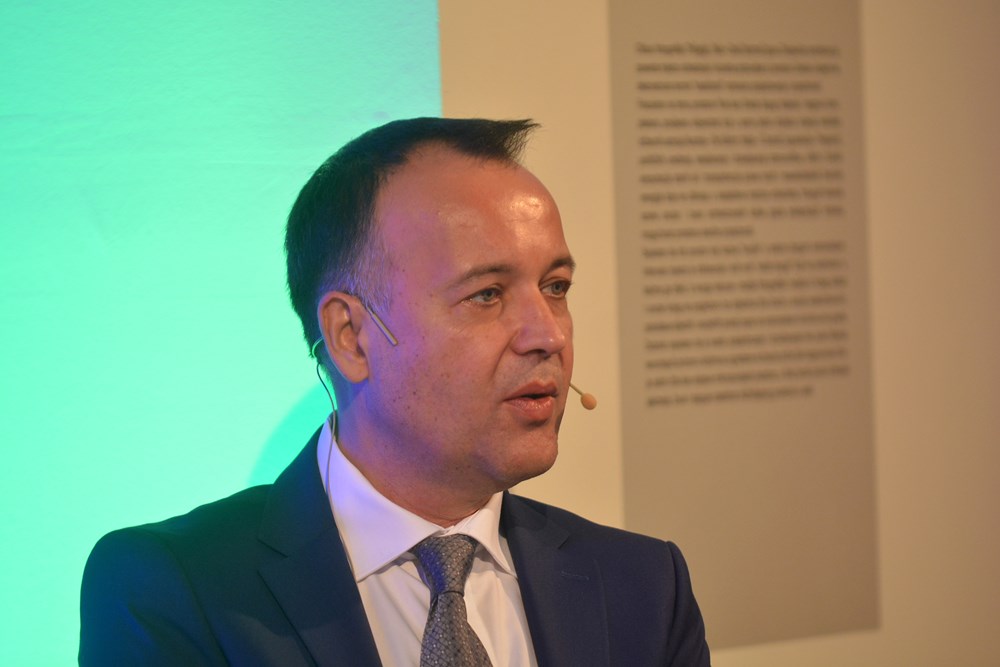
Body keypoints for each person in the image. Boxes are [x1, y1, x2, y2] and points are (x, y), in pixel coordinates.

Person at [79, 118, 710, 666]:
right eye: (487, 294)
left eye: (556, 287)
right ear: (351, 337)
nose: (548, 334)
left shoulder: (643, 586)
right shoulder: (176, 590)